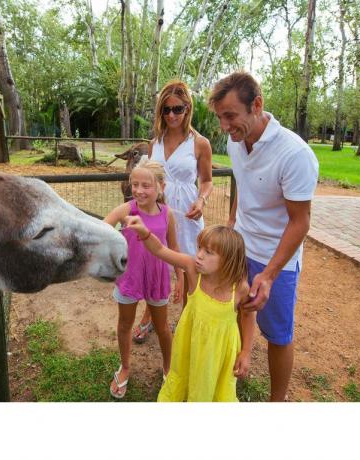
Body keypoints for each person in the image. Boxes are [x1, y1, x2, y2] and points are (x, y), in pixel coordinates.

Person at [208, 71, 319, 401]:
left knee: (278, 334)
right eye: (220, 118)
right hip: (241, 247)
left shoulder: (295, 155)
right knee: (238, 311)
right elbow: (243, 183)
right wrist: (230, 226)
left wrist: (269, 276)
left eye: (230, 116)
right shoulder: (236, 139)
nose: (225, 127)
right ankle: (235, 376)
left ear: (257, 105)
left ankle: (276, 401)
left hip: (276, 260)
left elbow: (300, 222)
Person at [124, 217, 255, 402]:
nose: (199, 255)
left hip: (218, 352)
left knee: (210, 385)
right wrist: (145, 233)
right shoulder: (193, 270)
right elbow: (161, 250)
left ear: (228, 260)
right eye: (199, 248)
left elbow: (248, 316)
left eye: (208, 252)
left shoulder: (239, 288)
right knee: (184, 374)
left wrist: (246, 352)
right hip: (190, 341)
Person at [132, 79, 213, 344]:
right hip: (160, 213)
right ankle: (149, 316)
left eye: (177, 109)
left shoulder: (200, 143)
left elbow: (207, 181)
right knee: (156, 266)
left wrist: (201, 201)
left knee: (188, 269)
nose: (171, 115)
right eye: (166, 110)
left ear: (188, 108)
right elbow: (150, 180)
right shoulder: (154, 143)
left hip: (188, 214)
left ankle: (186, 323)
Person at [104, 157, 182, 399]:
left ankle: (168, 367)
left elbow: (174, 247)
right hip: (130, 277)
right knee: (125, 325)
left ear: (161, 187)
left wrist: (180, 277)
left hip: (157, 279)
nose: (138, 190)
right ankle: (125, 367)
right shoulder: (127, 210)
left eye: (145, 185)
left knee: (162, 328)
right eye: (134, 184)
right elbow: (103, 227)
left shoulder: (167, 214)